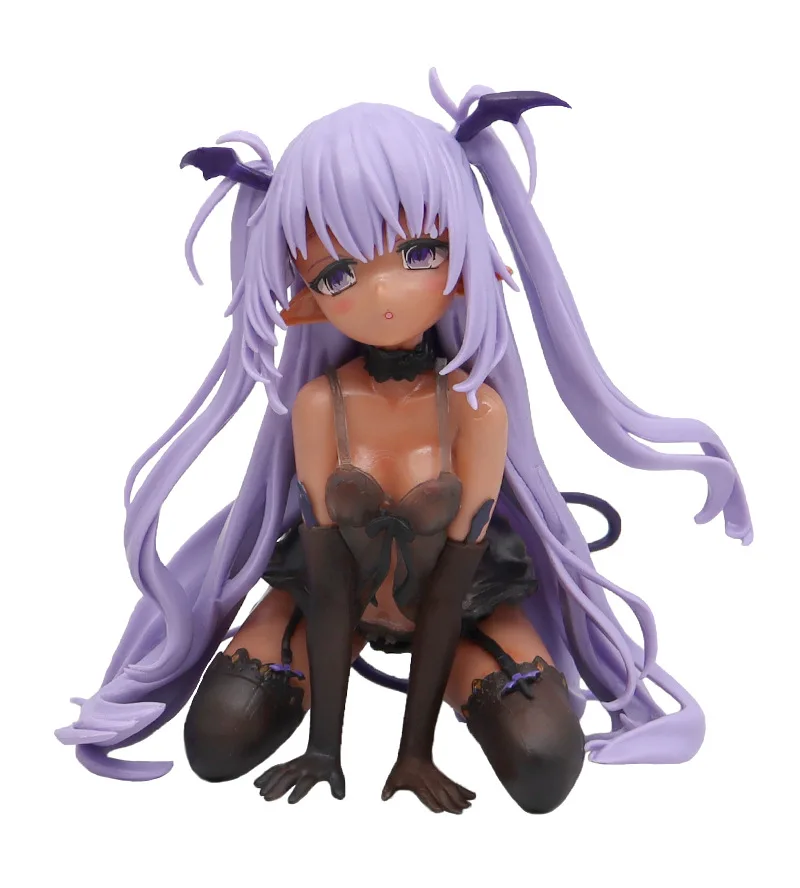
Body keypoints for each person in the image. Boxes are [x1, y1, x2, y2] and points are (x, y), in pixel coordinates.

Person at [55, 69, 752, 815]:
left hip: (462, 605)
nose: (384, 293)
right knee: (221, 736)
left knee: (544, 757)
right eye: (339, 272)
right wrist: (325, 749)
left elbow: (450, 588)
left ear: (465, 255)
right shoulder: (319, 406)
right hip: (331, 603)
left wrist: (414, 752)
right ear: (304, 294)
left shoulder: (477, 412)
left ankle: (455, 695)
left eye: (419, 253)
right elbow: (329, 582)